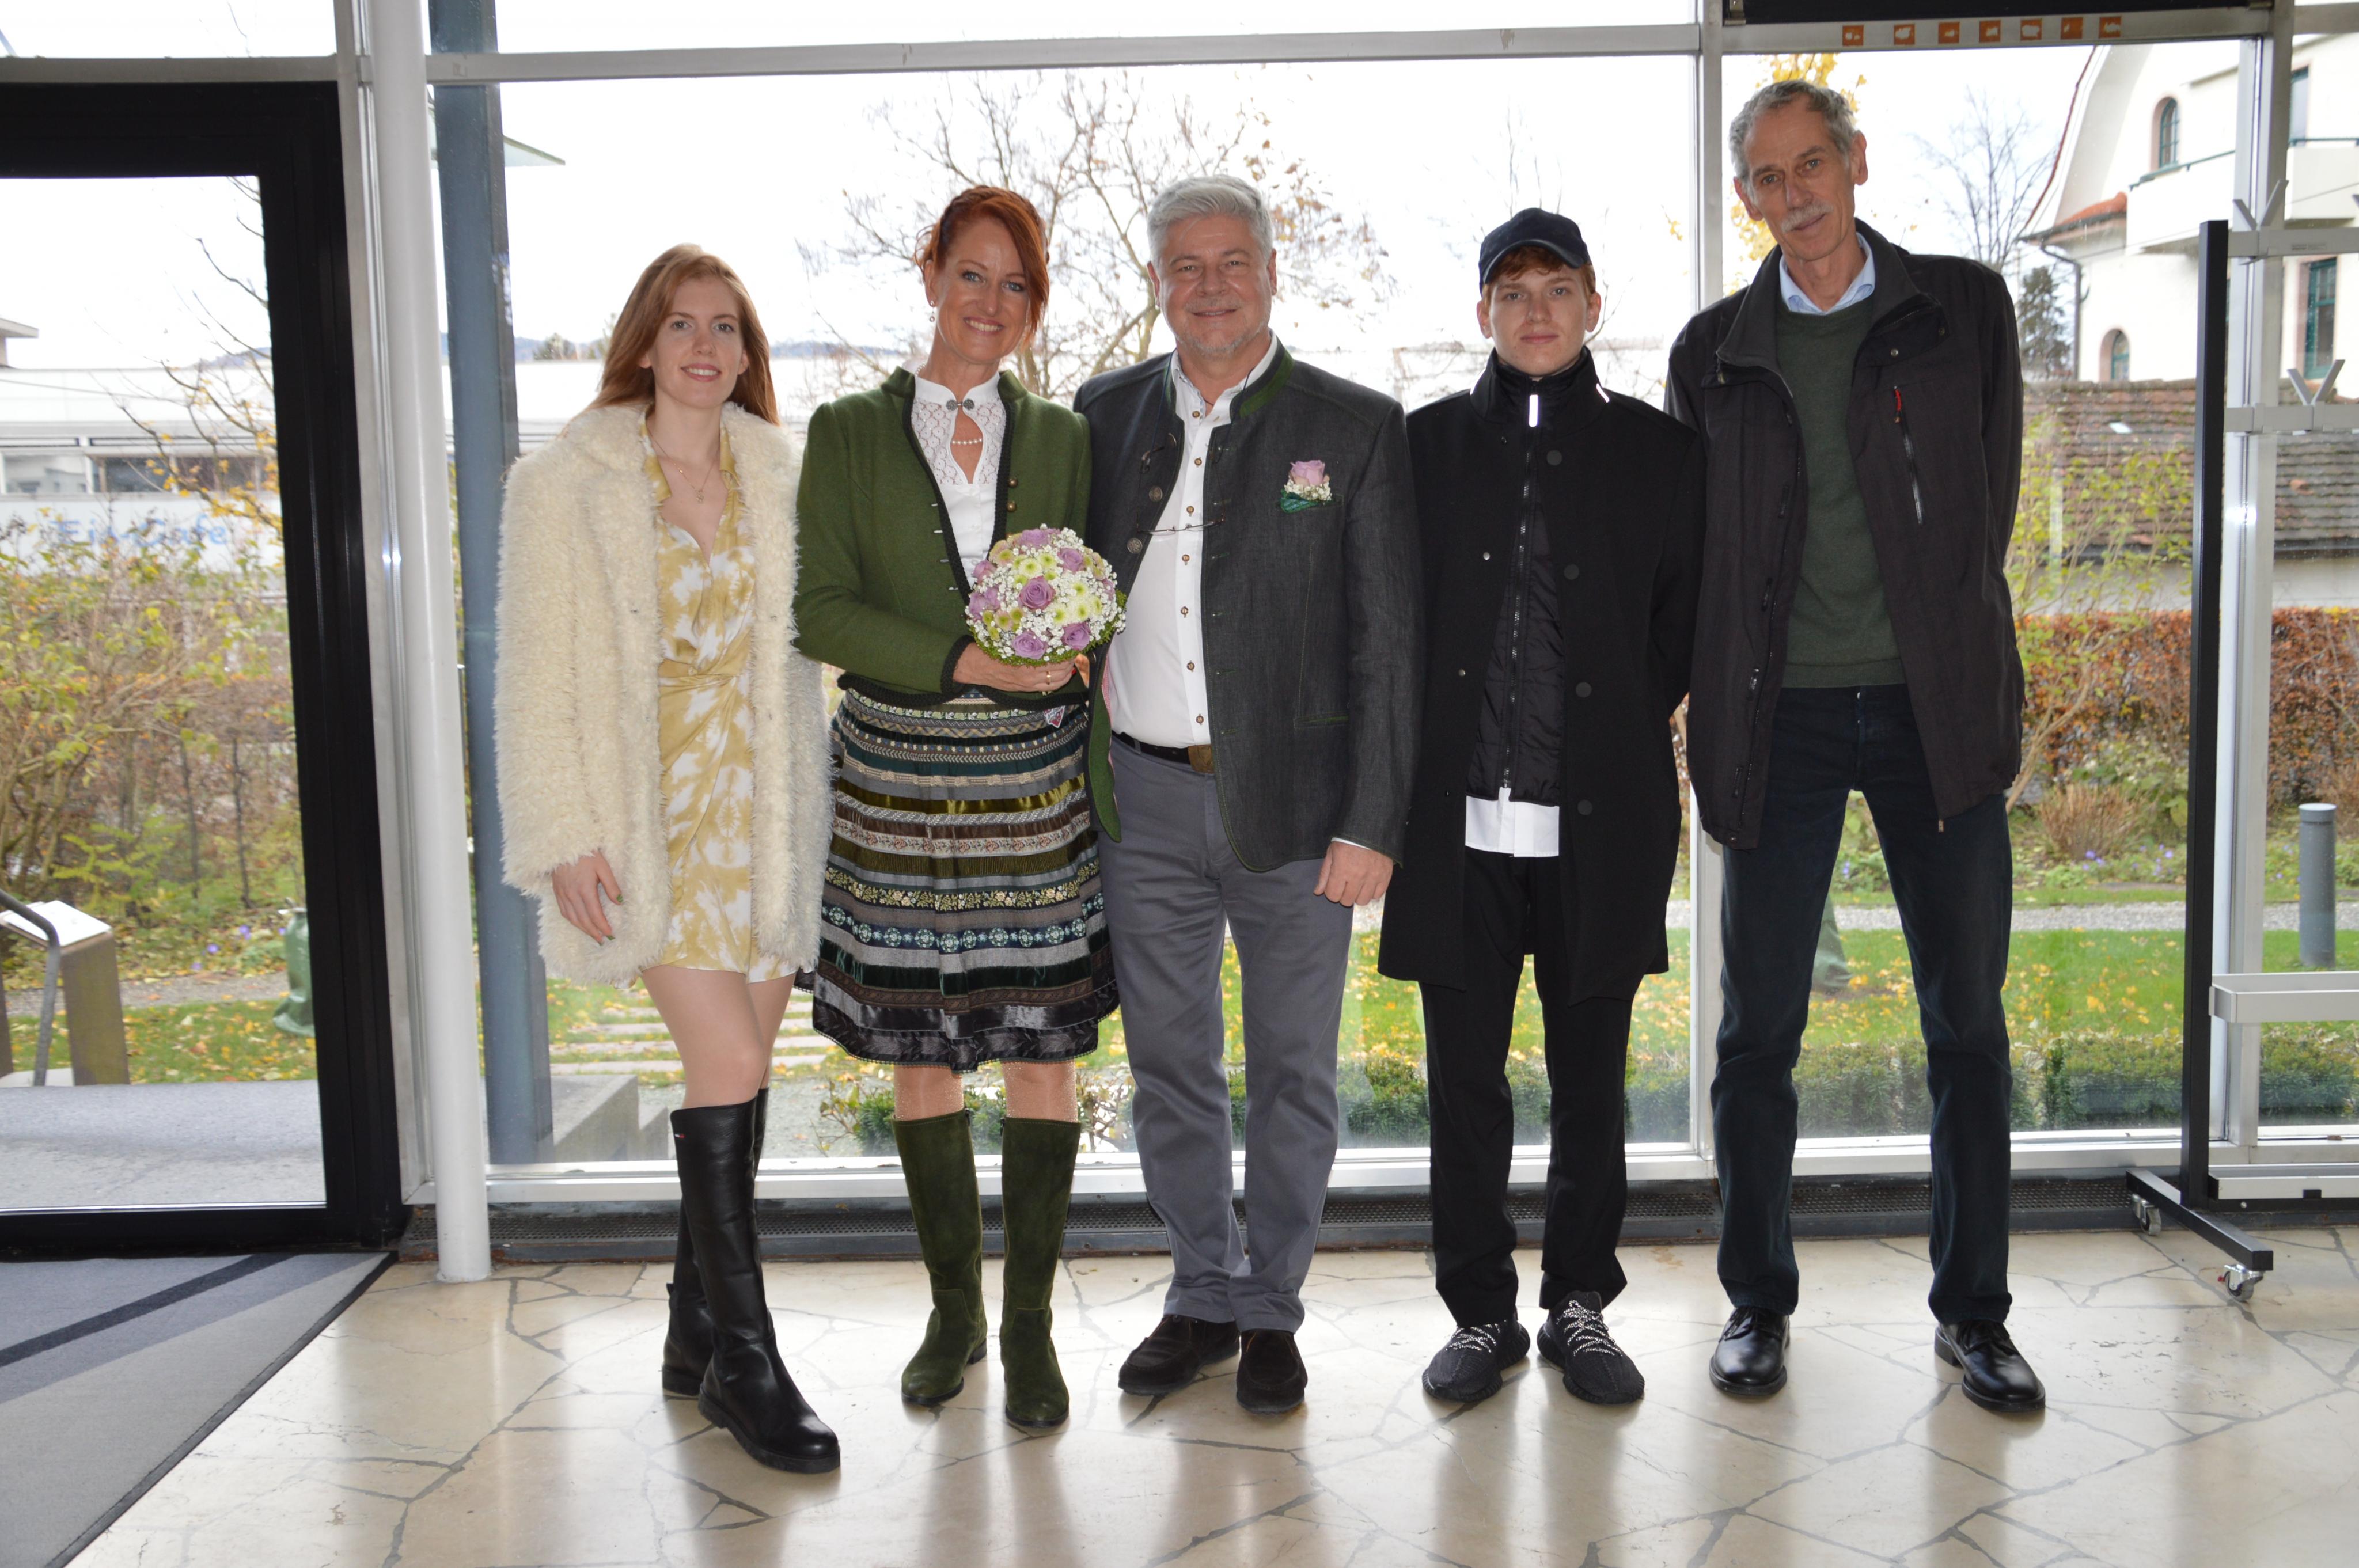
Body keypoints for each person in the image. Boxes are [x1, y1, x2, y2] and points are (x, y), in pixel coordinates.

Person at [1667, 80, 2043, 1413]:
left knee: (1966, 1027)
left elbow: (1987, 500)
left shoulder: (1961, 310)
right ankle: (1754, 1304)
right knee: (1756, 1030)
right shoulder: (1711, 350)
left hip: (1934, 714)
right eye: (1767, 178)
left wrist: (1945, 640)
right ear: (1747, 199)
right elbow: (1705, 550)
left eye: (1810, 163)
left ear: (1854, 162)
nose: (1795, 194)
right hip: (1779, 721)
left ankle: (1974, 1315)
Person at [1076, 173, 1421, 1415]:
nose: (1210, 285)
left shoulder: (1354, 426)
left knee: (1291, 1072)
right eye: (1186, 265)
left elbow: (1389, 644)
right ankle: (1200, 1292)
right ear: (1157, 282)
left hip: (1297, 814)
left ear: (1271, 273)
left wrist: (1371, 821)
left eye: (1233, 263)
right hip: (1143, 803)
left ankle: (1270, 1306)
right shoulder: (1100, 417)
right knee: (1169, 1067)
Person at [495, 245, 839, 1471]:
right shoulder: (566, 481)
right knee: (730, 1063)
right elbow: (532, 672)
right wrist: (561, 834)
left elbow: (817, 644)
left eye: (725, 328)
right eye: (682, 324)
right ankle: (749, 1360)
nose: (704, 347)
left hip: (767, 809)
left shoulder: (782, 475)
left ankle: (694, 1337)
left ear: (747, 354)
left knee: (736, 1078)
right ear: (644, 342)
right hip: (650, 814)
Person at [794, 185, 1114, 1433]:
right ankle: (952, 1315)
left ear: (1036, 307)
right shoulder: (846, 433)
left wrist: (1074, 651)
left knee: (1040, 1046)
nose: (991, 303)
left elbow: (1094, 586)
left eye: (1015, 285)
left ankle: (1029, 1325)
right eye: (971, 274)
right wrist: (967, 660)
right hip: (896, 780)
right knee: (917, 1048)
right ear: (929, 275)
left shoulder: (1066, 435)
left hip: (1031, 781)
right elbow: (819, 609)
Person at [1379, 211, 1702, 1407]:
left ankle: (1578, 1307)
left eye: (1557, 289)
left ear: (1592, 306)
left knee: (1590, 1081)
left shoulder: (1662, 456)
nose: (1534, 311)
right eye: (1511, 292)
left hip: (1599, 825)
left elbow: (1676, 633)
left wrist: (1598, 731)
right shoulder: (1417, 450)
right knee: (1464, 1086)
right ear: (1482, 313)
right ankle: (1480, 1314)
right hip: (1453, 828)